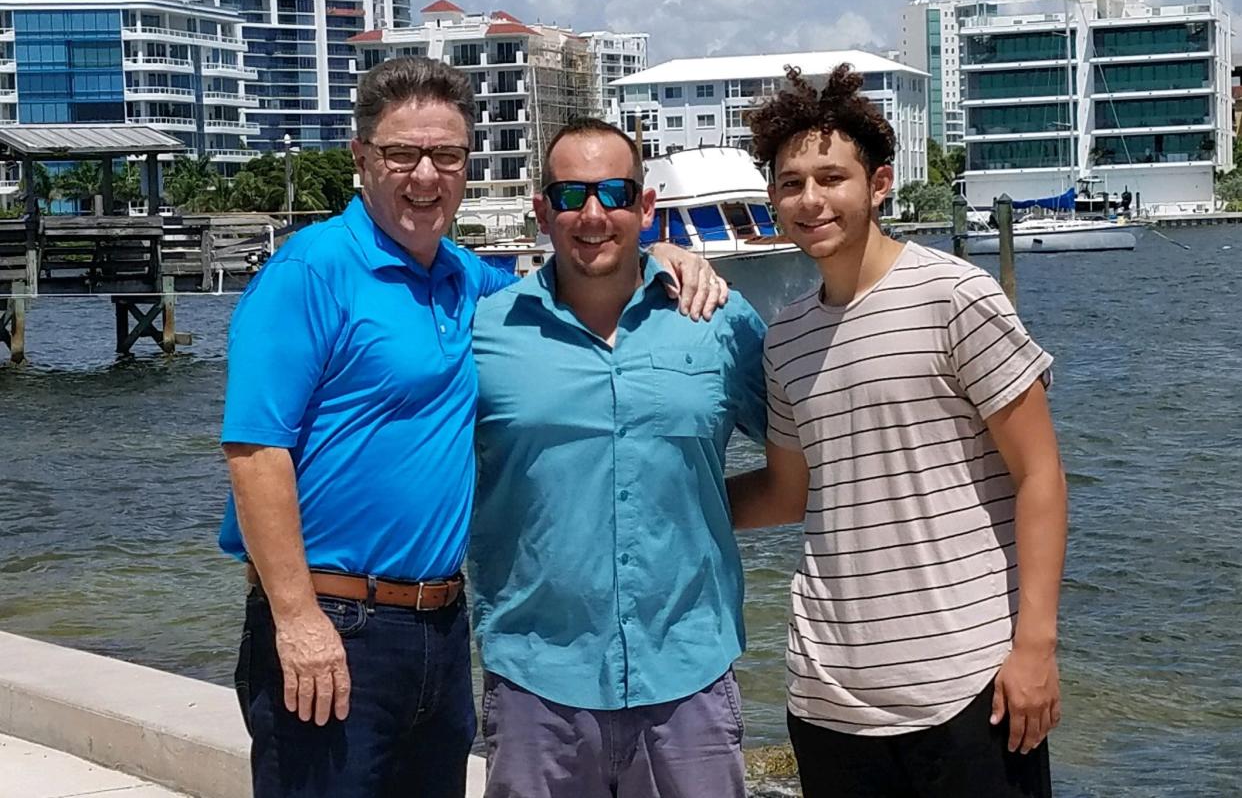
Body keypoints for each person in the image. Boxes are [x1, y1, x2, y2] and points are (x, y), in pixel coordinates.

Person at [219, 57, 724, 798]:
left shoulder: (469, 281)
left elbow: (577, 278)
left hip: (443, 630)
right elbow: (256, 449)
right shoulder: (311, 270)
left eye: (446, 156)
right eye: (402, 154)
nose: (425, 175)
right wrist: (297, 618)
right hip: (333, 621)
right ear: (361, 158)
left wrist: (662, 256)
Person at [728, 65, 1068, 798]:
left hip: (966, 685)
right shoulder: (784, 338)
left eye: (831, 177)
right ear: (773, 200)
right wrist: (670, 501)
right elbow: (791, 492)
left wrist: (1035, 644)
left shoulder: (957, 295)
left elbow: (1041, 473)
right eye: (791, 183)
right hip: (827, 698)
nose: (811, 199)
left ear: (878, 184)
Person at [469, 118, 768, 798]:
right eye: (572, 195)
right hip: (536, 683)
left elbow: (800, 465)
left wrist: (708, 512)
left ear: (646, 205)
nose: (594, 214)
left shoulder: (719, 319)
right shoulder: (485, 331)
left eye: (615, 192)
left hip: (687, 675)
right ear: (542, 209)